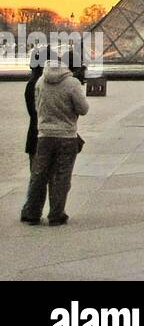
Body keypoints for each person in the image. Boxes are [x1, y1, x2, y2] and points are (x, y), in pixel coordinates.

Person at [20, 51, 89, 226]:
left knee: (39, 175)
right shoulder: (71, 83)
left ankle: (32, 213)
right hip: (65, 135)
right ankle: (56, 214)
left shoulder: (40, 81)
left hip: (43, 134)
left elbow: (36, 108)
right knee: (62, 176)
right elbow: (83, 109)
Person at [24, 56, 43, 172]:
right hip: (40, 133)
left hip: (34, 133)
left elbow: (32, 111)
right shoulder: (39, 84)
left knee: (35, 176)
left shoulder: (31, 84)